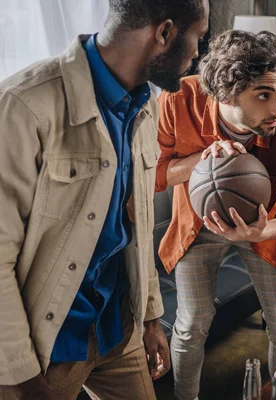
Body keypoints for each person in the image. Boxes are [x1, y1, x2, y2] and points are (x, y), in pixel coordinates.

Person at [0, 0, 209, 398]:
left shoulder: (144, 105)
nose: (199, 52)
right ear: (164, 34)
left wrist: (150, 318)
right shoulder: (23, 106)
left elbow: (138, 222)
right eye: (198, 36)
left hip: (117, 328)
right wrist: (21, 378)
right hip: (49, 348)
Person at [155, 30, 276, 400]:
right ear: (225, 92)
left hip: (265, 229)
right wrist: (204, 158)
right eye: (264, 95)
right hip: (197, 227)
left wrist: (266, 230)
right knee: (190, 324)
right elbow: (152, 174)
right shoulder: (176, 101)